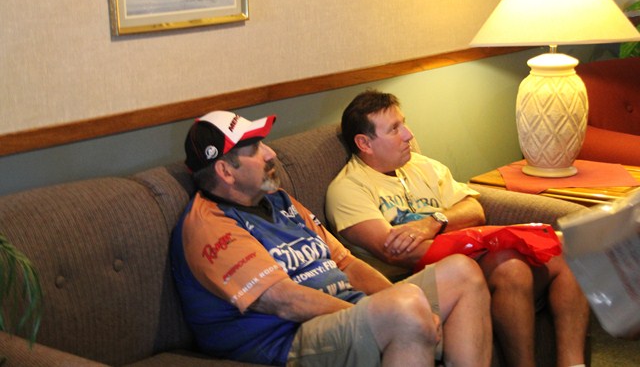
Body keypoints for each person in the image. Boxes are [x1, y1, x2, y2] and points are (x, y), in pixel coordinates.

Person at [170, 110, 492, 367]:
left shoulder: (278, 200)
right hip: (287, 338)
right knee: (404, 311)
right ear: (226, 172)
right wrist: (382, 310)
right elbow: (287, 302)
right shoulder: (210, 225)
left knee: (462, 272)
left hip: (343, 310)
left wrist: (397, 301)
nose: (271, 153)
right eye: (255, 149)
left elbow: (345, 262)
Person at [326, 90, 590, 367]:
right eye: (394, 129)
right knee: (510, 266)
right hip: (414, 284)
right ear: (364, 143)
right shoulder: (349, 189)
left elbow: (474, 209)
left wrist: (433, 222)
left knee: (565, 251)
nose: (408, 135)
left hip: (466, 259)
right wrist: (480, 247)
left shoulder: (423, 166)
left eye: (404, 123)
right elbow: (396, 253)